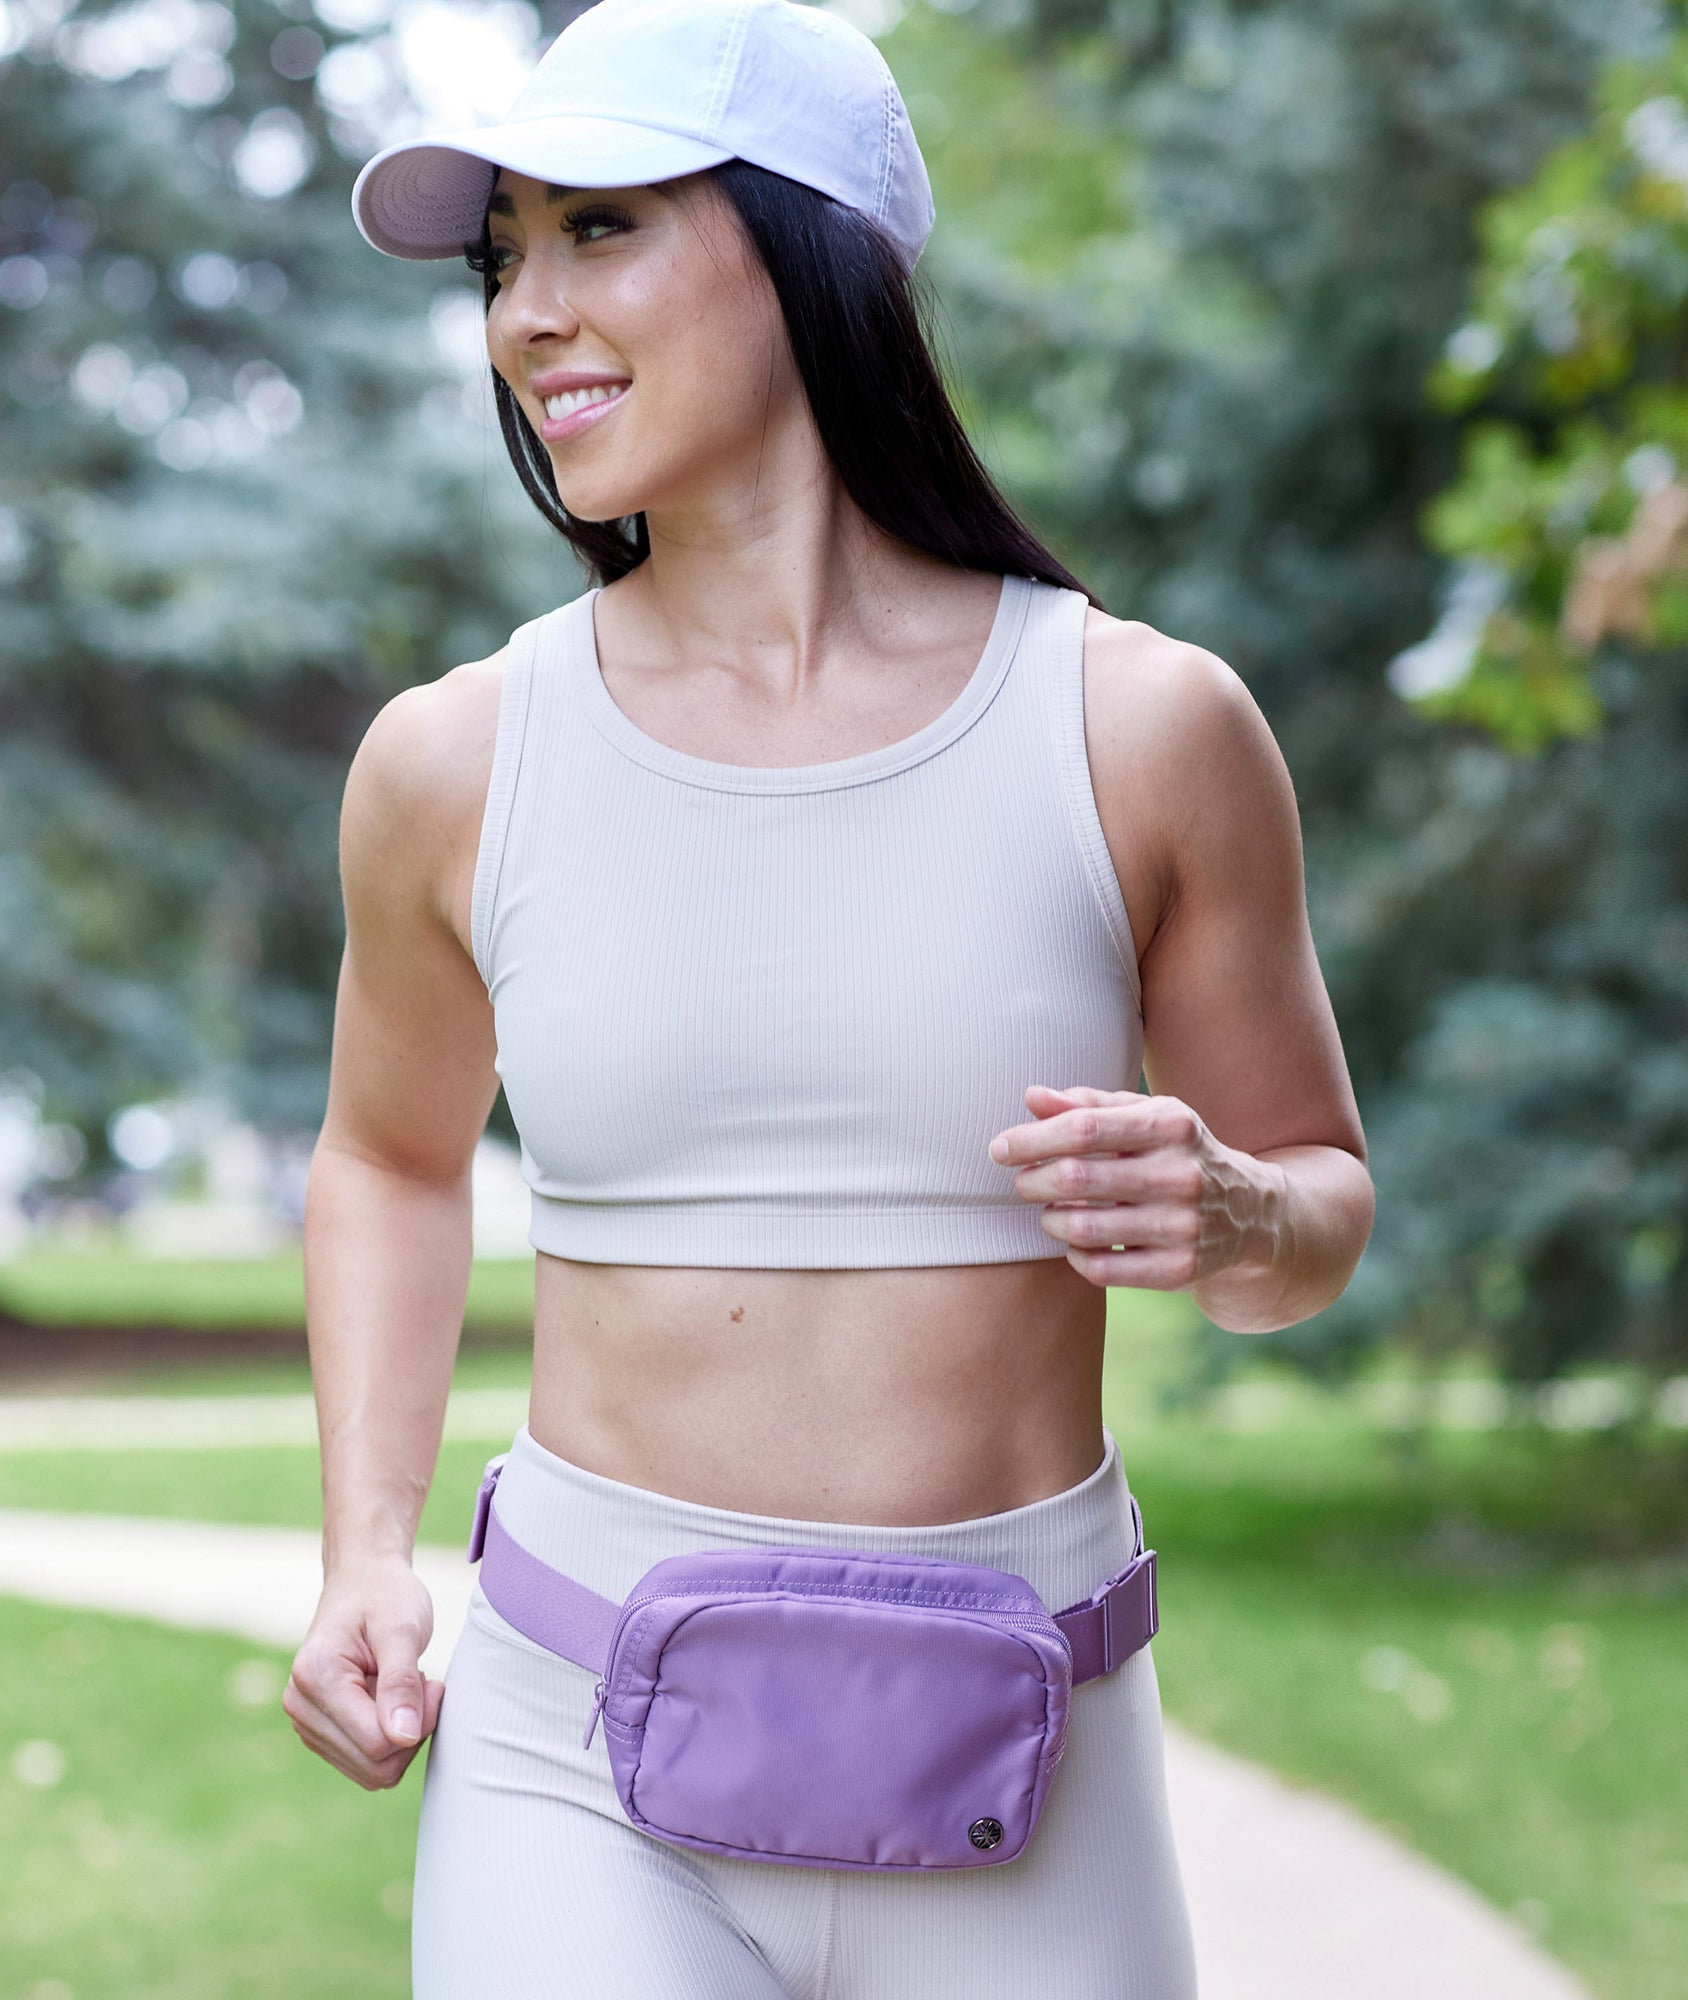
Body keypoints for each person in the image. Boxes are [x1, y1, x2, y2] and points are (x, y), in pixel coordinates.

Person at [285, 0, 1374, 1992]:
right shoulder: (451, 763)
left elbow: (1313, 1211)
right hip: (570, 1766)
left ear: (817, 254)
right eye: (502, 252)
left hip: (1023, 1760)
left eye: (598, 227)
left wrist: (1230, 1203)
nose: (528, 310)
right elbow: (386, 1154)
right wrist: (366, 1545)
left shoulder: (1142, 728)